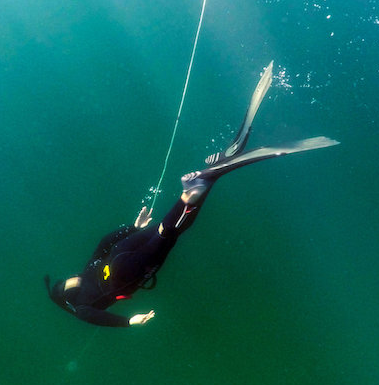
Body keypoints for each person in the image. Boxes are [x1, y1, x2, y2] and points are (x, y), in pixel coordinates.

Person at [46, 62, 338, 327]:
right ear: (66, 289)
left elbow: (94, 316)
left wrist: (129, 322)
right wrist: (132, 228)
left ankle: (194, 191)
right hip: (121, 255)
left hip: (126, 271)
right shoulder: (86, 276)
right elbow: (104, 243)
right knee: (166, 228)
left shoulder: (82, 304)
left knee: (169, 233)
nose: (71, 280)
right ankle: (207, 178)